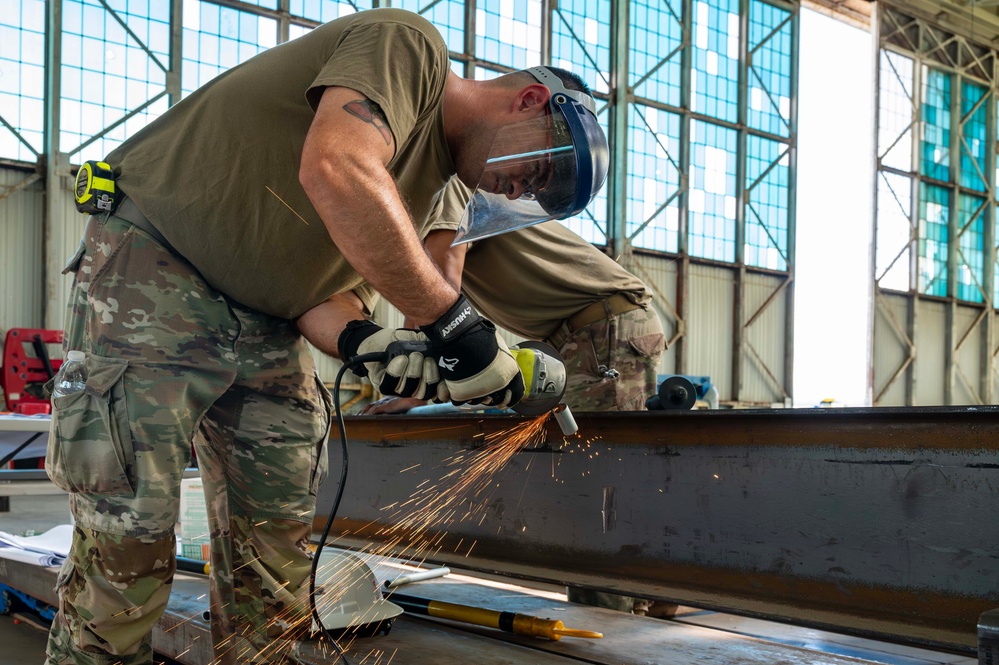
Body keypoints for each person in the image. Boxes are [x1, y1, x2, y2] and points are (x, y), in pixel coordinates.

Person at [45, 8, 608, 665]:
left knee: (274, 550)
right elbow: (335, 165)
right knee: (129, 539)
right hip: (160, 267)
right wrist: (458, 330)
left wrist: (371, 346)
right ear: (530, 99)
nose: (516, 188)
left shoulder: (426, 195)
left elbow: (327, 297)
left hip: (267, 319)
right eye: (534, 171)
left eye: (531, 192)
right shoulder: (410, 48)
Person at [362, 177, 666, 417]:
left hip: (607, 324)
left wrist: (414, 392)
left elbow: (440, 284)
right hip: (577, 335)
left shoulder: (445, 187)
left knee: (599, 454)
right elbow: (424, 298)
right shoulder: (421, 214)